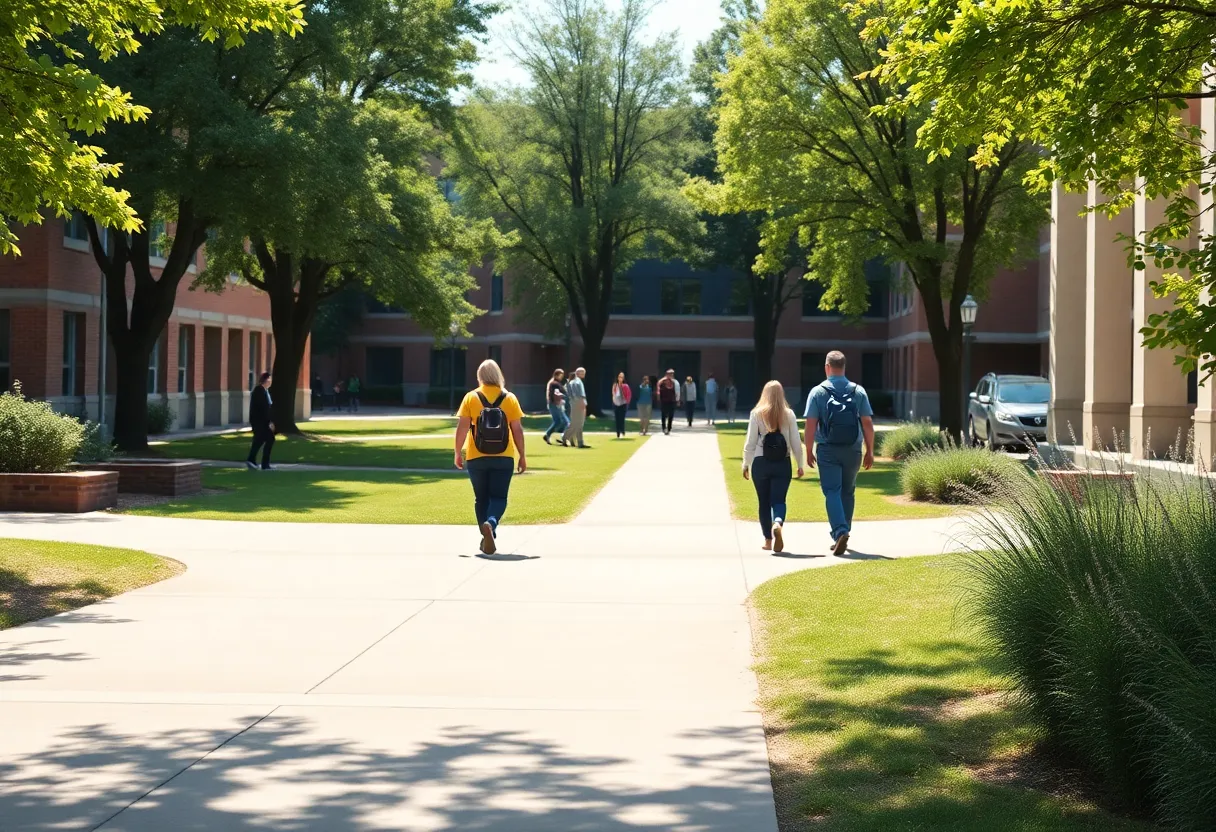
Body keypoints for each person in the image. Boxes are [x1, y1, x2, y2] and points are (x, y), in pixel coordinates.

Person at [803, 350, 876, 556]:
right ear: (844, 367)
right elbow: (868, 423)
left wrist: (808, 450)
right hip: (853, 449)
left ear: (827, 367)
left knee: (832, 491)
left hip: (827, 449)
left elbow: (810, 424)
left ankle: (840, 532)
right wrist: (870, 450)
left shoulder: (818, 392)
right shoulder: (858, 391)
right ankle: (844, 532)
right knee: (848, 490)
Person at [454, 359, 527, 555]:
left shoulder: (471, 397)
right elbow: (517, 430)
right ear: (498, 375)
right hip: (504, 457)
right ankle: (491, 524)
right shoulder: (509, 398)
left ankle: (486, 532)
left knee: (481, 499)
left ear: (480, 376)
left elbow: (462, 427)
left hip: (476, 456)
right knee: (499, 497)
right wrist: (522, 456)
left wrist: (457, 452)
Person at [742, 380, 804, 552]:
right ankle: (777, 522)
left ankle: (768, 540)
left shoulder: (757, 414)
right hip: (782, 463)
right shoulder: (789, 414)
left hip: (761, 463)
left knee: (763, 502)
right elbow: (796, 442)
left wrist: (745, 464)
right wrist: (800, 464)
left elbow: (750, 442)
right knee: (779, 500)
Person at [246, 372, 276, 470]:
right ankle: (264, 464)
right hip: (260, 422)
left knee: (259, 440)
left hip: (261, 421)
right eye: (269, 380)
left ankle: (251, 459)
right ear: (266, 380)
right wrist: (269, 422)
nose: (270, 382)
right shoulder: (259, 391)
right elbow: (263, 409)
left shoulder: (264, 391)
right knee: (269, 439)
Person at [563, 367, 589, 448]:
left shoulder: (572, 382)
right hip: (579, 402)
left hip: (573, 403)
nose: (584, 374)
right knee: (579, 423)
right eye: (583, 372)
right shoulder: (578, 382)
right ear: (579, 373)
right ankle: (566, 437)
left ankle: (578, 441)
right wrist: (583, 404)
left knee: (575, 423)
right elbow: (580, 395)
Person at [543, 368, 570, 445]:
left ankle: (547, 435)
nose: (561, 377)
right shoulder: (555, 383)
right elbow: (557, 393)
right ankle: (564, 437)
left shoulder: (552, 382)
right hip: (556, 404)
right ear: (556, 375)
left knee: (557, 421)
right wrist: (563, 395)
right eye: (560, 375)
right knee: (567, 422)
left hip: (552, 404)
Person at [656, 369, 680, 434]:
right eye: (670, 374)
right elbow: (658, 390)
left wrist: (678, 400)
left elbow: (677, 392)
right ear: (666, 374)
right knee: (663, 415)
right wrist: (658, 397)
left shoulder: (675, 382)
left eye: (672, 374)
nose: (671, 375)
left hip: (672, 401)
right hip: (664, 401)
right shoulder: (661, 381)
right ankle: (664, 428)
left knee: (671, 415)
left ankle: (669, 428)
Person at [611, 372, 632, 437]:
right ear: (617, 377)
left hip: (623, 404)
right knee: (617, 418)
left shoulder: (625, 386)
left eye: (622, 377)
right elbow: (613, 394)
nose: (620, 378)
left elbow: (629, 394)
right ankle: (618, 432)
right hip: (616, 403)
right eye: (619, 377)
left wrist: (627, 402)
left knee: (622, 418)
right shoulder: (615, 385)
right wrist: (614, 401)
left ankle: (622, 430)